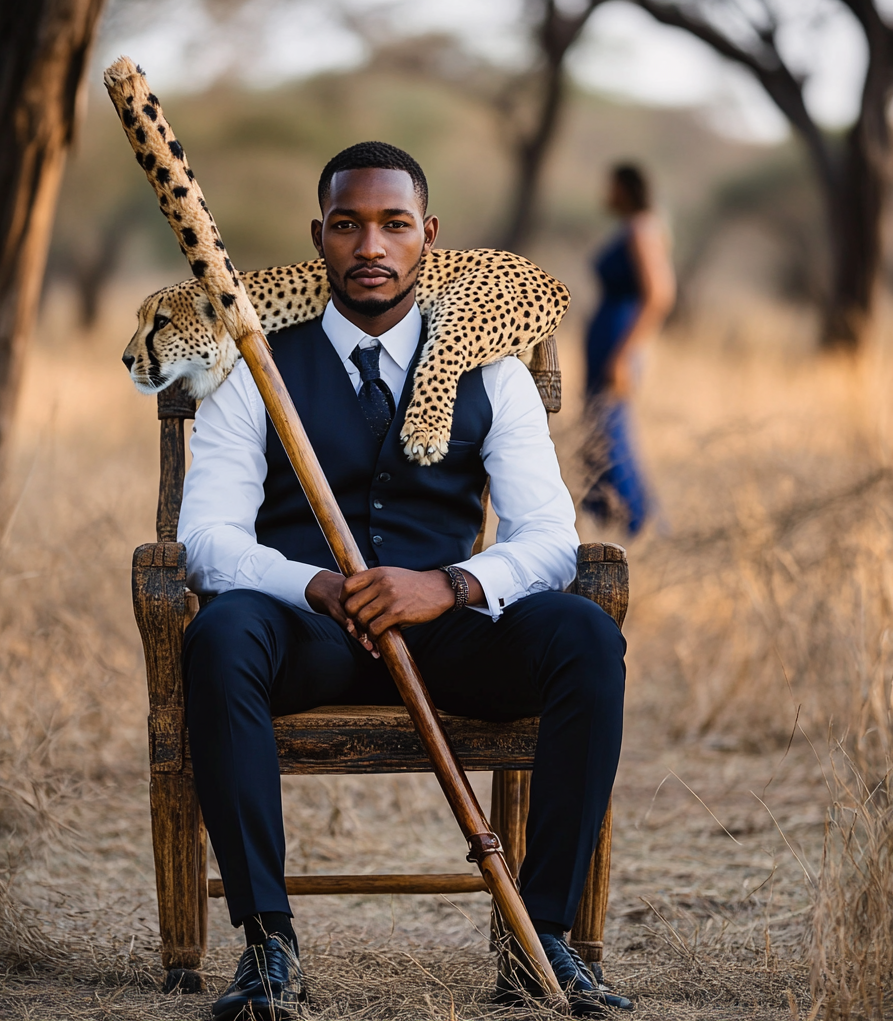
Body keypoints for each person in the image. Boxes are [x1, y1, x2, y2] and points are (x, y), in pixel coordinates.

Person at [178, 141, 632, 1019]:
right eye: (348, 226)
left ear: (428, 236)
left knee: (585, 635)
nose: (371, 247)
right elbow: (207, 539)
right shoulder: (256, 372)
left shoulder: (492, 374)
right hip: (307, 633)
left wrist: (450, 586)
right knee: (220, 633)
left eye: (393, 225)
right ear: (322, 238)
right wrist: (312, 586)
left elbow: (549, 540)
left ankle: (538, 943)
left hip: (448, 634)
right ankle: (268, 947)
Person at [581, 163, 675, 535]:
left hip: (618, 338)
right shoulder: (636, 227)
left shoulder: (640, 229)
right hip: (609, 334)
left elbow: (660, 295)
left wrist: (624, 354)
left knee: (610, 429)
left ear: (627, 188)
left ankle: (637, 523)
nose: (606, 194)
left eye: (612, 186)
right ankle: (611, 522)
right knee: (600, 426)